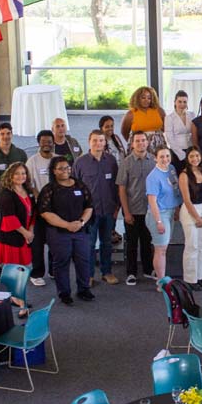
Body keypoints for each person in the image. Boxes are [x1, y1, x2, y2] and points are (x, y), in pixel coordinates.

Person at [37, 156, 95, 305]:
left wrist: (81, 222)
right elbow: (45, 213)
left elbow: (89, 206)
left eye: (68, 168)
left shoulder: (80, 185)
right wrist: (67, 225)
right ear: (54, 171)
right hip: (59, 233)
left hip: (80, 230)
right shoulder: (49, 189)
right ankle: (64, 293)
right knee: (61, 262)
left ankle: (84, 289)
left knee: (83, 260)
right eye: (61, 168)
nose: (65, 171)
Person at [73, 130, 120, 286]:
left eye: (101, 140)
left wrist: (117, 206)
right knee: (90, 244)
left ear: (105, 142)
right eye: (95, 140)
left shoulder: (111, 161)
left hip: (108, 209)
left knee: (107, 242)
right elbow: (75, 187)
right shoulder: (80, 163)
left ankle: (107, 272)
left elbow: (116, 186)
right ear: (89, 141)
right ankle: (89, 274)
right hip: (89, 213)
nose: (98, 143)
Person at [0, 162, 34, 316]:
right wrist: (26, 233)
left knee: (22, 270)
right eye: (17, 173)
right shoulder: (6, 194)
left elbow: (33, 212)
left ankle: (16, 298)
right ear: (10, 175)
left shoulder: (27, 190)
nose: (21, 176)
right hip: (10, 237)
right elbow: (9, 219)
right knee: (14, 271)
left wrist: (30, 230)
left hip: (24, 234)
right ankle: (19, 301)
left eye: (23, 173)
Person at [116, 130, 155, 285]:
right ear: (132, 144)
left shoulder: (153, 161)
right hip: (132, 210)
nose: (140, 143)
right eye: (137, 141)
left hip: (149, 210)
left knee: (147, 241)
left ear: (147, 142)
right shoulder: (126, 162)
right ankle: (131, 272)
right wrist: (126, 212)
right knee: (132, 243)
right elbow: (121, 188)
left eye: (143, 140)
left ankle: (148, 269)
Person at [0, 122, 27, 237]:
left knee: (19, 230)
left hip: (19, 200)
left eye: (8, 133)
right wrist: (4, 195)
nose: (5, 136)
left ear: (12, 134)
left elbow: (26, 176)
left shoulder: (20, 154)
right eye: (2, 134)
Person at [145, 148, 181, 283]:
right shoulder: (153, 177)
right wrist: (158, 221)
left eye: (167, 156)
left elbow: (175, 191)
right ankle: (161, 282)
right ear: (155, 158)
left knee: (164, 248)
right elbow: (152, 201)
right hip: (159, 214)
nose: (165, 159)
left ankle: (162, 276)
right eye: (161, 157)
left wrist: (177, 209)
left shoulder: (171, 169)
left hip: (171, 212)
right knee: (161, 249)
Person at [177, 146, 202, 289]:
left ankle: (199, 276)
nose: (195, 159)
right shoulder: (184, 175)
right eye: (191, 156)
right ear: (187, 158)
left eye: (197, 156)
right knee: (192, 246)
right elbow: (186, 199)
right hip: (190, 211)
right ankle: (190, 280)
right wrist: (197, 218)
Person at [25, 130, 56, 286]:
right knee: (37, 243)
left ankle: (53, 270)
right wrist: (40, 198)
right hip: (38, 208)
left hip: (56, 208)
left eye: (49, 141)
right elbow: (28, 184)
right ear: (39, 143)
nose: (47, 144)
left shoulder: (58, 160)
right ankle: (37, 273)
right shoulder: (32, 161)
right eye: (43, 141)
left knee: (54, 240)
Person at [121, 86, 167, 152]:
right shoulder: (131, 114)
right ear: (137, 98)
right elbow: (124, 132)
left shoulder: (159, 111)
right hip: (139, 146)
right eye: (143, 98)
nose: (146, 100)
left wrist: (155, 136)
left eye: (149, 98)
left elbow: (166, 128)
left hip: (158, 145)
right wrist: (136, 141)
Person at [164, 91, 194, 162]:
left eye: (185, 102)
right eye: (179, 102)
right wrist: (182, 154)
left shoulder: (192, 115)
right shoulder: (169, 118)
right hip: (176, 152)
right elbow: (169, 138)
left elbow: (194, 133)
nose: (182, 104)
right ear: (175, 102)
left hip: (191, 149)